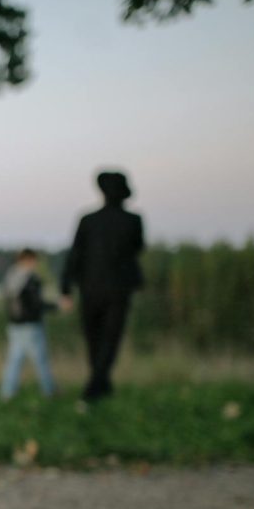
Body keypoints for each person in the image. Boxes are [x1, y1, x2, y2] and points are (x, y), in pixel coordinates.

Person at [60, 170, 145, 401]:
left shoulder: (88, 221)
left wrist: (66, 288)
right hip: (118, 289)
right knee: (109, 338)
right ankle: (100, 384)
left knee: (95, 337)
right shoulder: (133, 221)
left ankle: (95, 385)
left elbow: (74, 255)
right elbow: (137, 249)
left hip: (91, 288)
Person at [0, 248, 57, 400]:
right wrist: (56, 306)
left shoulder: (11, 277)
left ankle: (7, 392)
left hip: (14, 324)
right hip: (31, 325)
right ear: (27, 260)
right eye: (34, 260)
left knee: (14, 360)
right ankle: (49, 390)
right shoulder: (30, 279)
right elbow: (36, 304)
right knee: (41, 359)